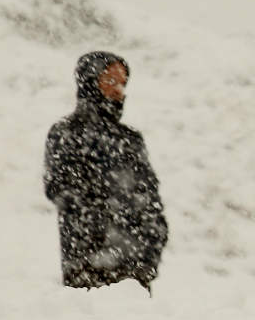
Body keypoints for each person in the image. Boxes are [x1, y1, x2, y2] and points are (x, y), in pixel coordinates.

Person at [44, 51, 168, 291]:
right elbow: (62, 191)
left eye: (123, 83)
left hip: (136, 273)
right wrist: (103, 234)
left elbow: (150, 201)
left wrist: (151, 246)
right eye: (110, 80)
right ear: (90, 82)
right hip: (87, 271)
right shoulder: (66, 133)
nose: (118, 90)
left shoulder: (131, 140)